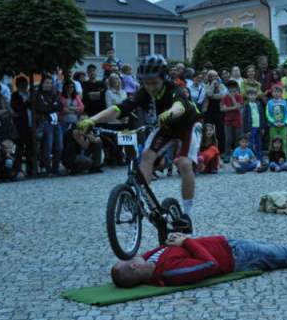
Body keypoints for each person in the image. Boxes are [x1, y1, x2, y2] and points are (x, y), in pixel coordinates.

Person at [77, 54, 200, 222]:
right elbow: (120, 108)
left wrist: (169, 113)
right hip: (166, 127)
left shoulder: (175, 89)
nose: (150, 87)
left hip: (188, 125)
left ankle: (187, 214)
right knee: (147, 156)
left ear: (163, 78)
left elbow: (179, 107)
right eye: (146, 83)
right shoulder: (143, 92)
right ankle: (144, 201)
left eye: (154, 83)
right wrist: (92, 120)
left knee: (184, 163)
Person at [110, 221, 287, 288]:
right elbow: (210, 264)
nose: (133, 255)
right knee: (284, 256)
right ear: (134, 267)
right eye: (129, 259)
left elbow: (163, 248)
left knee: (279, 251)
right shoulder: (169, 273)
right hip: (237, 257)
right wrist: (186, 241)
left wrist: (174, 239)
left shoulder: (150, 259)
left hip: (229, 244)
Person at [34, 74, 64, 176]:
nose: (49, 85)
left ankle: (55, 169)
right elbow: (42, 108)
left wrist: (50, 105)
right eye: (47, 83)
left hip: (57, 123)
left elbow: (60, 106)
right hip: (46, 123)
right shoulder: (39, 95)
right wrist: (53, 105)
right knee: (48, 147)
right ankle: (48, 169)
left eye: (51, 83)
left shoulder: (54, 94)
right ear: (42, 83)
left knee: (59, 147)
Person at [10, 76, 33, 178]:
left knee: (30, 148)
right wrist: (26, 103)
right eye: (22, 84)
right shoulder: (15, 96)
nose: (24, 86)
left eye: (25, 84)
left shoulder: (30, 94)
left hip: (30, 123)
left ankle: (30, 169)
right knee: (19, 148)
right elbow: (16, 108)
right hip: (20, 124)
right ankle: (18, 169)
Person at [220, 80, 244, 163]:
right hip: (228, 120)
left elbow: (238, 107)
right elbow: (222, 109)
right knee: (228, 139)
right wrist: (234, 107)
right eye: (230, 88)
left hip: (237, 120)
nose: (232, 90)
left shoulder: (239, 96)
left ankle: (237, 155)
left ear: (236, 89)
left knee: (238, 138)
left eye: (234, 88)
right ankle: (227, 155)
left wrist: (233, 98)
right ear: (228, 89)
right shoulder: (224, 97)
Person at [203, 70, 227, 153]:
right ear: (209, 77)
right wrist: (213, 85)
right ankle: (206, 149)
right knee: (207, 130)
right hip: (208, 111)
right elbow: (208, 94)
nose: (215, 78)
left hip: (219, 111)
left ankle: (221, 151)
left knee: (220, 131)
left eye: (216, 76)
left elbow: (222, 96)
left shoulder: (222, 86)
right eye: (213, 76)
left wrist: (212, 96)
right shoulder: (206, 85)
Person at [266, 85, 287, 157]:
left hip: (283, 126)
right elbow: (267, 114)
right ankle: (272, 157)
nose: (276, 93)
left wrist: (285, 122)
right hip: (273, 126)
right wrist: (273, 122)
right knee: (273, 141)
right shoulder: (269, 102)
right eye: (274, 92)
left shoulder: (284, 102)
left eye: (278, 92)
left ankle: (284, 157)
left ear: (281, 93)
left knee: (284, 142)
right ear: (272, 93)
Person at [242, 87, 265, 161]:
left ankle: (259, 158)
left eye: (254, 95)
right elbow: (244, 118)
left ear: (256, 95)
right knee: (250, 144)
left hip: (258, 127)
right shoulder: (246, 105)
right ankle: (251, 158)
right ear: (248, 96)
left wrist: (262, 127)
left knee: (259, 143)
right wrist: (247, 130)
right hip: (251, 128)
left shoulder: (259, 104)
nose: (252, 96)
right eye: (250, 95)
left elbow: (262, 116)